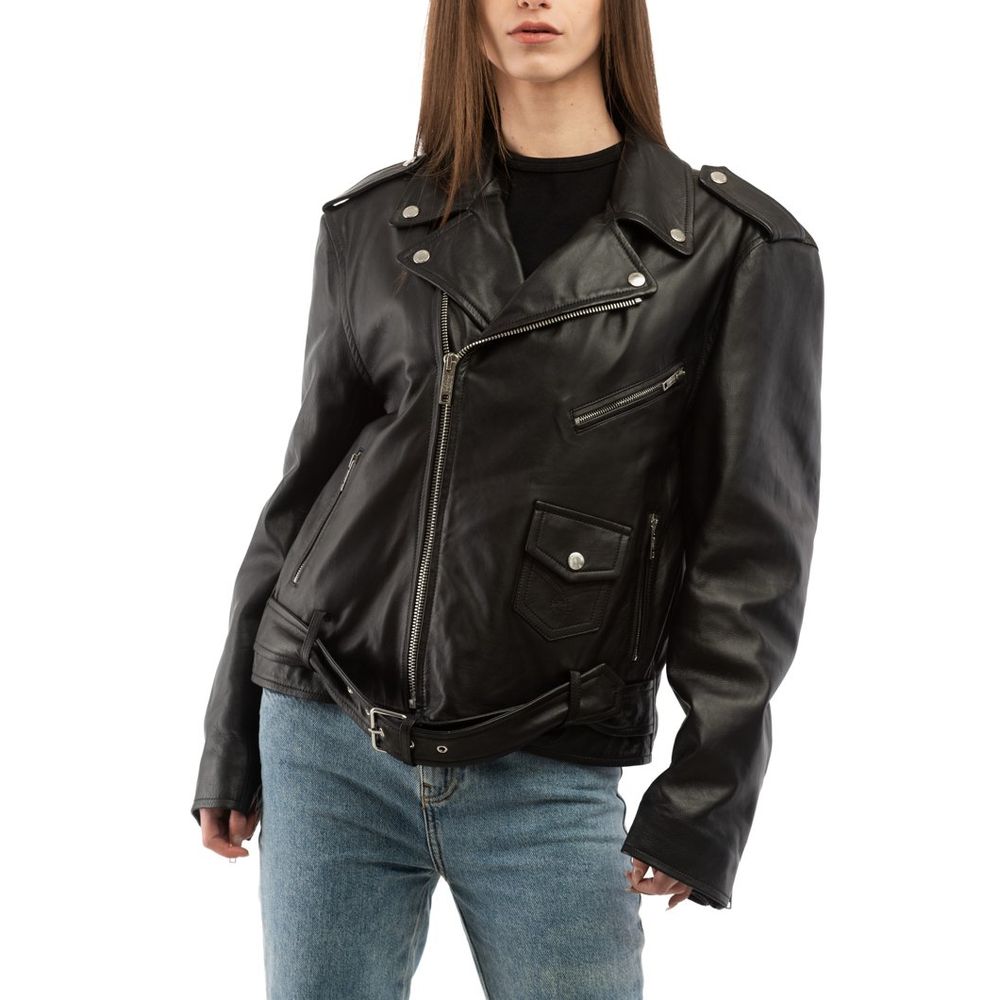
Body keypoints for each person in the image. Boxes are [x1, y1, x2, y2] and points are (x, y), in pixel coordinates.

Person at [191, 1, 824, 997]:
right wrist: (231, 734)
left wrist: (706, 794)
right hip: (326, 733)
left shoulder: (731, 248)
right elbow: (305, 494)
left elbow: (750, 549)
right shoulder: (373, 224)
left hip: (549, 762)